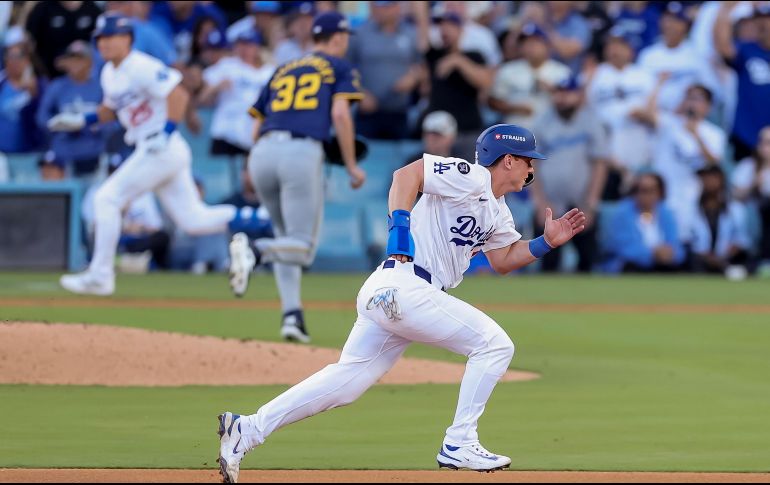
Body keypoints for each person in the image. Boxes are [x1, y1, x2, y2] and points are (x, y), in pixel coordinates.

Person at [218, 123, 586, 483]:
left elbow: (503, 260)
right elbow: (407, 176)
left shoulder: (499, 211)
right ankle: (460, 442)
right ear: (508, 160)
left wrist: (546, 243)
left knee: (345, 384)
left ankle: (247, 429)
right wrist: (399, 228)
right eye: (527, 160)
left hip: (394, 293)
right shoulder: (470, 176)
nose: (532, 168)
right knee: (495, 345)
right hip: (406, 285)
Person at [47, 14, 264, 296]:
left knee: (106, 199)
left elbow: (178, 94)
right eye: (100, 38)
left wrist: (167, 130)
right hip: (156, 148)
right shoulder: (109, 72)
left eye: (110, 37)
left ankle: (100, 275)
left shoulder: (140, 65)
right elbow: (111, 109)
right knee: (194, 220)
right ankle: (262, 216)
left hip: (160, 146)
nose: (104, 43)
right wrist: (82, 120)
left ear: (127, 39)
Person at [228, 11, 367, 344]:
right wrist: (351, 165)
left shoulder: (283, 68)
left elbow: (255, 126)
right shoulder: (339, 66)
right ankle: (254, 251)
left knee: (285, 240)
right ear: (338, 38)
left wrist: (257, 160)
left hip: (262, 153)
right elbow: (339, 114)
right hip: (300, 153)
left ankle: (292, 316)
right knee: (302, 247)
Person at [531, 77, 608, 272]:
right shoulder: (542, 122)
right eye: (558, 92)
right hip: (550, 205)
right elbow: (531, 165)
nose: (563, 98)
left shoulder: (591, 121)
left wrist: (591, 203)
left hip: (581, 204)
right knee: (548, 265)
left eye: (568, 93)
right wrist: (540, 203)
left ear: (579, 95)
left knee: (587, 262)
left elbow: (600, 164)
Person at [586, 26, 656, 199]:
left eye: (620, 45)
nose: (614, 50)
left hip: (639, 144)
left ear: (630, 49)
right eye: (611, 45)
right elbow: (585, 113)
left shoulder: (644, 75)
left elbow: (656, 116)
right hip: (607, 151)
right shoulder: (594, 75)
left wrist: (644, 115)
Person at [650, 83, 726, 240]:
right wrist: (660, 83)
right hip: (663, 192)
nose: (692, 102)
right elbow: (647, 113)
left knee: (686, 238)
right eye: (689, 98)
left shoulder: (715, 133)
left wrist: (696, 135)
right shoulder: (669, 123)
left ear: (708, 106)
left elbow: (714, 163)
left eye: (697, 99)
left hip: (692, 197)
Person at [423, 11, 494, 162]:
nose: (444, 29)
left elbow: (485, 82)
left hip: (467, 130)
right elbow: (421, 34)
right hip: (438, 132)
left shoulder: (474, 56)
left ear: (461, 30)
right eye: (441, 25)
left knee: (470, 173)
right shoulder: (433, 55)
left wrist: (458, 61)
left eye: (450, 25)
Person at [348, 0, 423, 140]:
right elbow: (346, 69)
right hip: (367, 112)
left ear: (397, 7)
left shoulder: (410, 33)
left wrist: (413, 78)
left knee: (401, 152)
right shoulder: (360, 33)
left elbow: (420, 66)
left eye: (388, 6)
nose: (383, 10)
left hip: (398, 111)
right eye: (380, 6)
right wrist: (359, 93)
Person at [199, 30, 274, 157]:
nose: (244, 49)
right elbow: (201, 99)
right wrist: (216, 87)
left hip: (255, 134)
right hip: (226, 133)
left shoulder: (269, 71)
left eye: (248, 45)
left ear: (257, 47)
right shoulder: (227, 65)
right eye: (240, 44)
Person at [36, 40, 104, 179]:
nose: (75, 63)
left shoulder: (100, 86)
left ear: (89, 62)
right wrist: (58, 124)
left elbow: (114, 118)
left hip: (93, 154)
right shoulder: (57, 86)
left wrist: (95, 126)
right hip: (63, 154)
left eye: (79, 59)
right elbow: (42, 117)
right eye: (71, 59)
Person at [714, 3, 770, 161]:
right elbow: (723, 46)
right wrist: (725, 10)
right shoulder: (747, 49)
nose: (763, 23)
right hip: (746, 134)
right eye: (759, 19)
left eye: (767, 19)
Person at [489, 23, 570, 131]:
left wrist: (554, 91)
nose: (531, 46)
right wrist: (514, 108)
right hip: (515, 132)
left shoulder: (561, 72)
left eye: (535, 42)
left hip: (551, 133)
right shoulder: (507, 70)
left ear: (547, 45)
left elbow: (574, 106)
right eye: (526, 42)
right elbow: (493, 102)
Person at [603, 172, 685, 273]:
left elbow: (676, 245)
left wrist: (670, 253)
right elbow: (621, 247)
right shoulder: (623, 213)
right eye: (642, 191)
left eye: (651, 191)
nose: (646, 196)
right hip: (634, 266)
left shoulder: (667, 213)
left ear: (660, 193)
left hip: (663, 265)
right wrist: (652, 254)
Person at [637, 1, 708, 112]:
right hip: (652, 114)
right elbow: (639, 90)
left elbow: (706, 90)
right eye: (666, 19)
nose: (669, 25)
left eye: (676, 20)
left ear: (685, 25)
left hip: (685, 116)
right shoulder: (647, 55)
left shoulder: (697, 55)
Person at [691, 166, 751, 275]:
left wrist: (731, 251)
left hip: (727, 260)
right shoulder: (691, 209)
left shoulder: (735, 209)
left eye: (713, 177)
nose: (709, 181)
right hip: (699, 262)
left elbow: (742, 240)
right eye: (705, 178)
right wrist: (706, 257)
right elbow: (688, 240)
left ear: (721, 180)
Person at [25, 0, 102, 78]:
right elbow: (28, 42)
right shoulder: (42, 9)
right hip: (50, 75)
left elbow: (101, 45)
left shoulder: (94, 10)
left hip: (87, 74)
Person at [731, 125, 770, 271]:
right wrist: (753, 184)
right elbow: (735, 195)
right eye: (763, 142)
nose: (766, 147)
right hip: (751, 215)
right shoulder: (748, 166)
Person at [0, 42, 42, 154]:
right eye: (10, 57)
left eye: (19, 57)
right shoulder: (2, 84)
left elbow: (42, 118)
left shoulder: (40, 85)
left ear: (27, 60)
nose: (14, 61)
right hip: (2, 154)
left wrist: (34, 95)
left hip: (28, 153)